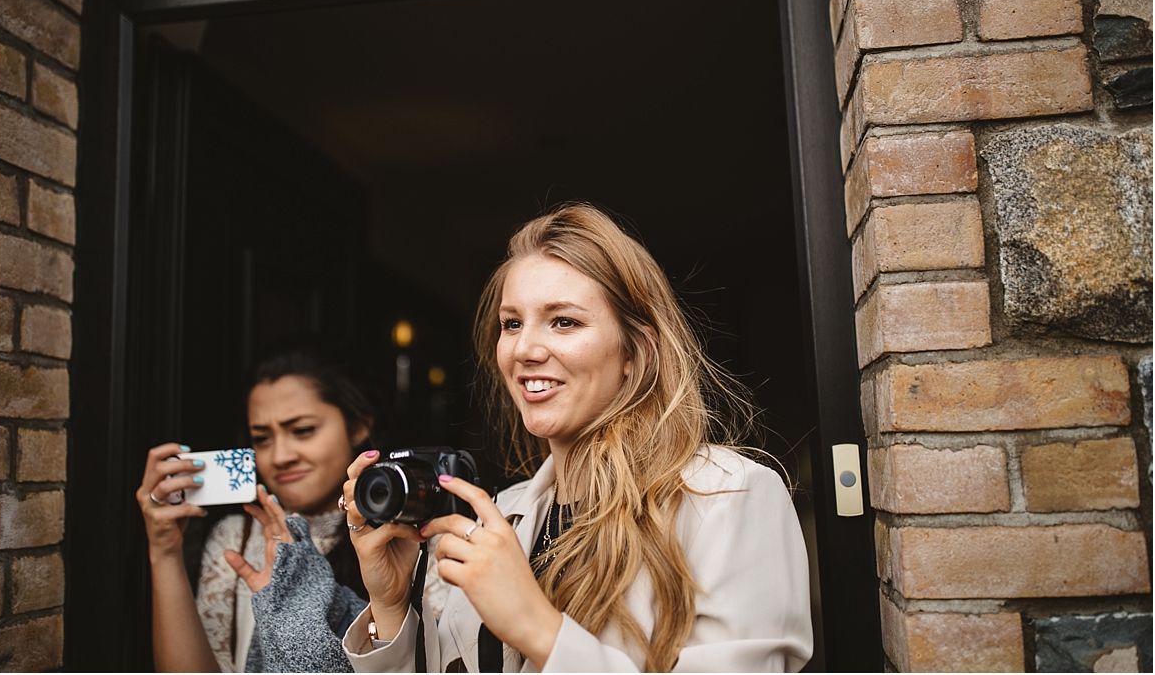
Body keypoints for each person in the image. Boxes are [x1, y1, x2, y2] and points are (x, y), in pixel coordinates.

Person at [336, 204, 813, 672]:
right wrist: (392, 605)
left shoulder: (729, 498)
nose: (524, 349)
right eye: (512, 323)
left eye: (564, 321)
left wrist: (537, 628)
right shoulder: (497, 517)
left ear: (637, 351)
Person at [136, 338, 378, 672]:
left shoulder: (402, 539)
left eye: (303, 430)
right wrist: (164, 552)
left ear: (359, 426)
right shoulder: (235, 538)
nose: (280, 457)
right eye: (262, 438)